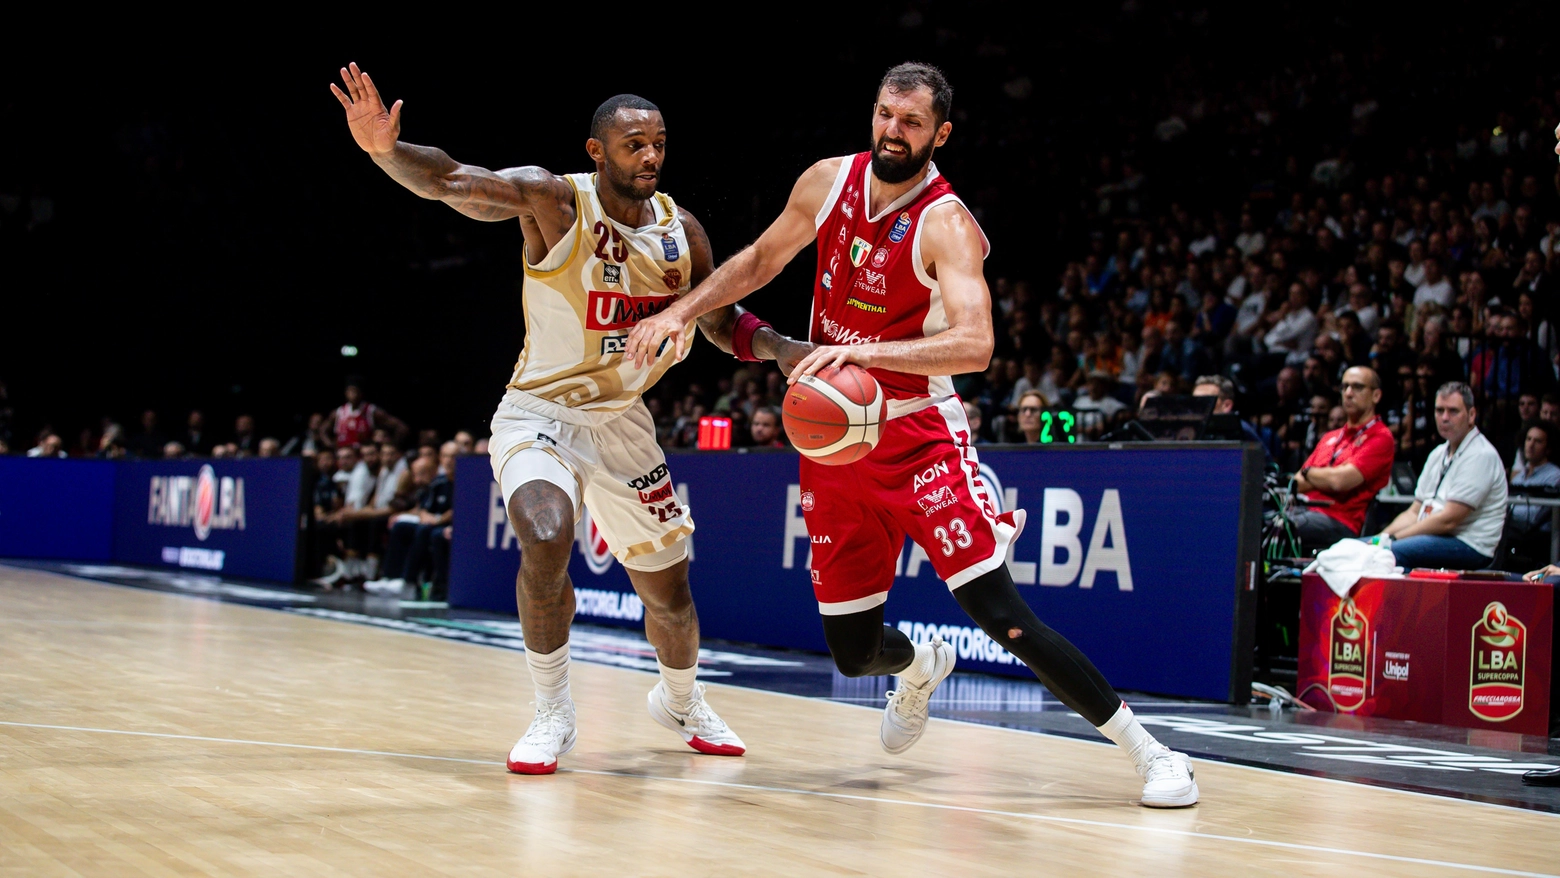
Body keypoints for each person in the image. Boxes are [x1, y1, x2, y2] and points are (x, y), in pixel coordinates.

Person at [626, 62, 1198, 807]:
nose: (895, 131)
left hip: (918, 436)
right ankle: (919, 669)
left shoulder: (946, 222)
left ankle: (1152, 753)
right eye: (886, 115)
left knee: (1002, 616)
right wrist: (677, 313)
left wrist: (863, 352)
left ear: (941, 133)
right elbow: (761, 261)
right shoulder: (827, 181)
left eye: (913, 122)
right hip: (835, 448)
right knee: (853, 651)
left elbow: (976, 345)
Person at [332, 62, 806, 773]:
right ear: (597, 151)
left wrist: (778, 347)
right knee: (547, 536)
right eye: (633, 145)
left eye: (658, 144)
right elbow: (456, 181)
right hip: (538, 413)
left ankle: (682, 700)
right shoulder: (556, 201)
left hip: (623, 424)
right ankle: (553, 712)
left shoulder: (685, 233)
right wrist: (385, 151)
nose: (649, 157)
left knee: (669, 595)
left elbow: (718, 319)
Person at [1370, 383, 1506, 569]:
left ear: (1471, 415)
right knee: (1360, 549)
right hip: (1435, 536)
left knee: (1390, 554)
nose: (1444, 418)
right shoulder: (1438, 454)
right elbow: (1414, 512)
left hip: (1468, 545)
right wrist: (1381, 539)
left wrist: (1393, 539)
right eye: (1439, 410)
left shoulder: (1481, 455)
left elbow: (1448, 520)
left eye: (1453, 411)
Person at [1286, 367, 1394, 552]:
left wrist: (1310, 472)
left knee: (1277, 526)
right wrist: (1323, 476)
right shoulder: (1330, 436)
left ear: (1376, 395)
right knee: (1260, 520)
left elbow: (1340, 482)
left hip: (1340, 521)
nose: (1349, 393)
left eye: (1357, 387)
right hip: (1304, 511)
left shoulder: (1380, 437)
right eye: (1345, 387)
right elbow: (1297, 483)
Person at [365, 456, 453, 595]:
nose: (417, 479)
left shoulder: (458, 483)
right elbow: (423, 509)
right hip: (431, 522)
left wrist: (437, 519)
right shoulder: (436, 484)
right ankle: (390, 577)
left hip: (444, 525)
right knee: (400, 526)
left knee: (424, 530)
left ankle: (408, 580)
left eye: (422, 473)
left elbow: (456, 511)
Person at [1507, 422, 1560, 559]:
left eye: (1538, 441)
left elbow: (1533, 516)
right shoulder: (1519, 477)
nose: (1530, 445)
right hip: (1512, 535)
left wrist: (1503, 515)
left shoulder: (1555, 475)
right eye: (1528, 439)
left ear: (1548, 448)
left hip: (1538, 542)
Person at [318, 380, 407, 451]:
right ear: (346, 393)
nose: (353, 394)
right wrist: (331, 446)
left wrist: (391, 445)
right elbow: (323, 430)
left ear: (361, 393)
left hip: (364, 459)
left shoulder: (371, 411)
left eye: (355, 391)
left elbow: (401, 427)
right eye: (350, 391)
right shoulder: (338, 413)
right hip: (343, 459)